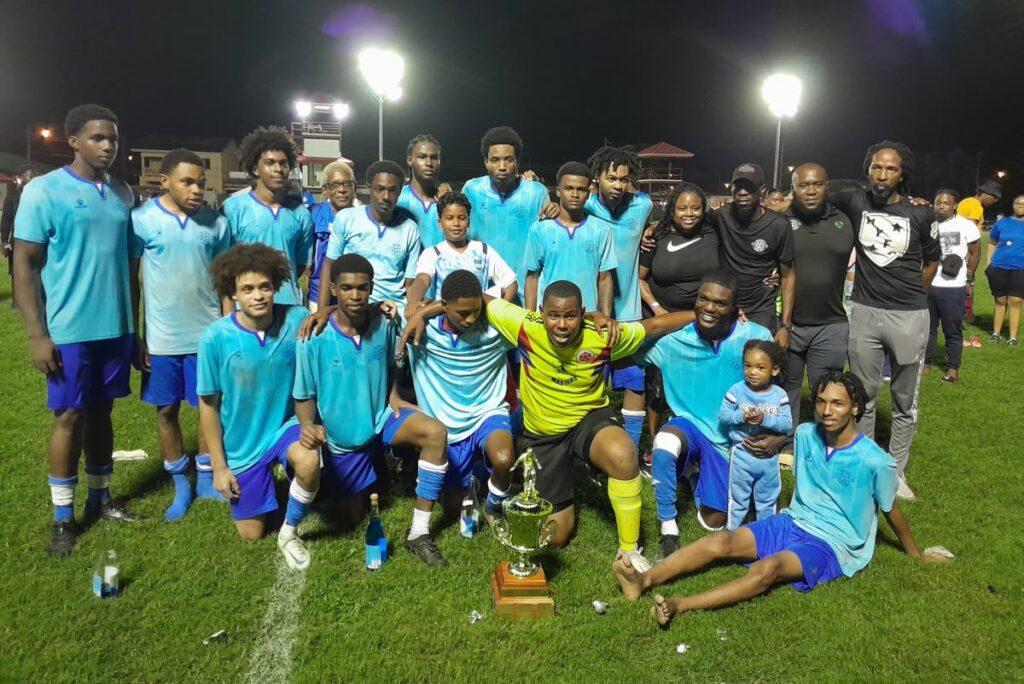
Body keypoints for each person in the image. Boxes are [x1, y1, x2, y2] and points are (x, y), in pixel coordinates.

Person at [402, 279, 698, 568]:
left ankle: (630, 551)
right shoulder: (524, 326)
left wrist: (702, 313)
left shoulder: (603, 335)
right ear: (540, 312)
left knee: (623, 453)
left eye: (571, 315)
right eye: (553, 315)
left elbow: (654, 326)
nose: (561, 324)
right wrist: (422, 313)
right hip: (544, 437)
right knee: (555, 536)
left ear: (583, 314)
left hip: (588, 421)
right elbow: (473, 297)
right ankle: (549, 482)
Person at [613, 370, 946, 627]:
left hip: (832, 543)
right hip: (793, 520)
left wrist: (916, 554)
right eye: (821, 401)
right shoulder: (804, 434)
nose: (826, 411)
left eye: (838, 403)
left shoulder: (876, 461)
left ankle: (679, 604)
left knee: (768, 569)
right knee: (723, 542)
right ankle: (644, 580)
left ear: (856, 408)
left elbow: (891, 510)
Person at [14, 104, 142, 556]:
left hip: (116, 329)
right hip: (69, 330)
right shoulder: (44, 191)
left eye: (113, 138)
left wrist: (135, 329)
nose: (108, 146)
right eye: (98, 138)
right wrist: (36, 333)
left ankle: (100, 499)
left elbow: (131, 267)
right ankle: (63, 518)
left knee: (103, 413)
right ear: (73, 141)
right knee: (69, 416)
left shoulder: (124, 193)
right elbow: (24, 265)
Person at [294, 254, 452, 565]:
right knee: (349, 519)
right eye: (347, 288)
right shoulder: (313, 336)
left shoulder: (385, 319)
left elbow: (394, 362)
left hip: (382, 417)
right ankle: (356, 476)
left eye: (362, 288)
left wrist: (393, 393)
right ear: (334, 289)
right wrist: (306, 426)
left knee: (436, 433)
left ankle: (418, 533)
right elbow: (304, 393)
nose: (355, 295)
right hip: (345, 438)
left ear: (372, 288)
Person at [634, 271, 775, 558]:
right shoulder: (673, 340)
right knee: (665, 442)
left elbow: (769, 397)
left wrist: (772, 436)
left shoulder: (757, 337)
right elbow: (629, 340)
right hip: (690, 427)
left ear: (736, 309)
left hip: (732, 443)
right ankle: (668, 528)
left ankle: (694, 473)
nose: (710, 307)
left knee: (713, 522)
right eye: (703, 299)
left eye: (720, 304)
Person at [198, 244, 320, 569]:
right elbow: (208, 407)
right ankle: (263, 481)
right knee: (251, 534)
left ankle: (289, 528)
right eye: (247, 289)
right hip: (243, 443)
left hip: (285, 427)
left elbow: (330, 321)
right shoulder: (215, 338)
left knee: (308, 461)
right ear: (233, 293)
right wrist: (219, 468)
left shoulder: (297, 318)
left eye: (264, 287)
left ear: (276, 285)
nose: (258, 296)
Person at [830, 141, 941, 500]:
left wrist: (911, 296)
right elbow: (807, 199)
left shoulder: (922, 214)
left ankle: (895, 472)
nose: (882, 175)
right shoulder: (853, 200)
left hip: (909, 316)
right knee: (862, 394)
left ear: (902, 173)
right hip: (863, 311)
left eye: (890, 169)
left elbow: (931, 262)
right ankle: (864, 464)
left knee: (903, 400)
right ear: (868, 170)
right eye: (877, 167)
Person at [129, 148, 232, 521]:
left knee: (209, 408)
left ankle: (205, 478)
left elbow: (225, 286)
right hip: (161, 339)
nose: (196, 190)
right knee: (166, 410)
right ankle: (180, 484)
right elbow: (132, 282)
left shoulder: (216, 224)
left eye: (201, 183)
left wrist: (227, 330)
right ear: (165, 181)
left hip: (205, 336)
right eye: (187, 182)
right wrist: (134, 334)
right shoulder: (141, 219)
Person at [404, 270, 518, 523]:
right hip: (446, 426)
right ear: (444, 306)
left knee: (503, 458)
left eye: (475, 310)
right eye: (462, 313)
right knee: (455, 512)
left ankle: (492, 508)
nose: (470, 319)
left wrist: (425, 309)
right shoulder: (422, 331)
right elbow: (371, 314)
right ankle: (475, 475)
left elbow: (534, 320)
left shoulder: (496, 329)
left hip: (488, 412)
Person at [638, 181, 718, 464]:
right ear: (672, 209)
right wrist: (658, 309)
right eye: (682, 207)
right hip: (662, 320)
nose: (689, 213)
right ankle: (655, 446)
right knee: (658, 384)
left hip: (703, 320)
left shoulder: (713, 232)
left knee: (697, 383)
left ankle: (697, 443)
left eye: (695, 208)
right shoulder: (656, 236)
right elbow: (640, 278)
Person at [585, 146, 654, 451]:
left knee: (634, 380)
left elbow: (654, 227)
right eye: (611, 177)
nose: (617, 185)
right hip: (591, 313)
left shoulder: (643, 206)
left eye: (623, 179)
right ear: (597, 178)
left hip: (628, 312)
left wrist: (652, 229)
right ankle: (590, 449)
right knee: (587, 381)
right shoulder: (583, 206)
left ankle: (632, 448)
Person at [781, 164, 855, 435]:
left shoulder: (846, 220)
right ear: (793, 188)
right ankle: (787, 444)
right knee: (786, 388)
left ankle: (820, 442)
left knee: (825, 391)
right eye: (803, 185)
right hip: (789, 324)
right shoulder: (780, 221)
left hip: (830, 324)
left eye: (817, 184)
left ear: (827, 186)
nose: (810, 191)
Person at [463, 126, 557, 305]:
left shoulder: (536, 193)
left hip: (526, 295)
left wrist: (559, 212)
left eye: (508, 160)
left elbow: (549, 244)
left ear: (518, 161)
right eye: (495, 160)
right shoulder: (471, 189)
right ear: (486, 162)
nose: (502, 167)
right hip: (481, 293)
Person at [222, 126, 313, 307]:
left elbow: (300, 265)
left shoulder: (301, 214)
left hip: (289, 310)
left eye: (284, 163)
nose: (278, 169)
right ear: (255, 169)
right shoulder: (233, 209)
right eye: (270, 163)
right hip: (247, 311)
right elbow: (223, 267)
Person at [319, 160, 421, 309]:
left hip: (394, 309)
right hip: (355, 307)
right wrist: (322, 311)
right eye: (379, 189)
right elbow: (329, 266)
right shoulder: (346, 219)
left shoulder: (410, 229)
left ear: (400, 191)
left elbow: (410, 283)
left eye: (392, 190)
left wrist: (412, 314)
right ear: (369, 188)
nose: (386, 196)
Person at [709, 163, 795, 338]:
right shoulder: (719, 215)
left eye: (749, 187)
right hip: (725, 306)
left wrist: (785, 326)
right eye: (737, 187)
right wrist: (650, 231)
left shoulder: (779, 225)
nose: (742, 192)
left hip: (761, 310)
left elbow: (788, 275)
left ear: (762, 190)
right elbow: (685, 224)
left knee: (759, 363)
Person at [523, 162, 617, 314]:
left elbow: (605, 279)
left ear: (589, 192)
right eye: (568, 188)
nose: (575, 194)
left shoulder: (601, 229)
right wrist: (530, 317)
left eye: (581, 189)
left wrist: (605, 317)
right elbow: (532, 277)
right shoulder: (539, 229)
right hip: (550, 316)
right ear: (558, 191)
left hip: (588, 316)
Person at [719, 340, 792, 529]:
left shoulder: (780, 395)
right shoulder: (736, 391)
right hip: (741, 456)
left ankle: (765, 536)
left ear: (774, 370)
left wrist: (765, 419)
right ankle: (733, 536)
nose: (752, 372)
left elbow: (787, 424)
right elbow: (724, 416)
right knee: (738, 499)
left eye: (760, 367)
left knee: (767, 499)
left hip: (768, 459)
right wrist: (742, 416)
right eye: (748, 366)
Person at [405, 191, 517, 314]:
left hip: (477, 325)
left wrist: (498, 314)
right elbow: (422, 279)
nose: (456, 223)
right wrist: (414, 301)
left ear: (468, 222)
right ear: (440, 223)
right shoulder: (433, 254)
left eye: (461, 218)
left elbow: (511, 283)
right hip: (444, 326)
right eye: (449, 218)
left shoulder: (483, 250)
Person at [926, 189, 980, 382]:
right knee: (927, 328)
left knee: (952, 330)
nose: (941, 205)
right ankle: (925, 365)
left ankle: (953, 370)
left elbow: (975, 253)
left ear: (955, 205)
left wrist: (968, 276)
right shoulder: (927, 222)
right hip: (928, 284)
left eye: (946, 203)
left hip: (953, 287)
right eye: (938, 202)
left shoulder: (966, 225)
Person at [307, 160, 356, 312]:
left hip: (353, 294)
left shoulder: (363, 217)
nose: (341, 190)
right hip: (318, 294)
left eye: (347, 184)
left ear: (354, 187)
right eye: (335, 185)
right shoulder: (313, 213)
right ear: (325, 190)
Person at [956, 180, 1000, 324]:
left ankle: (965, 314)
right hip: (967, 249)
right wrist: (971, 257)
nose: (994, 201)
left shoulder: (966, 202)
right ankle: (966, 316)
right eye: (993, 198)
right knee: (968, 282)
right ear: (985, 194)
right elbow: (969, 229)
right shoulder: (976, 206)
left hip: (957, 246)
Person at [986, 194, 1024, 345]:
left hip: (1021, 269)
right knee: (1000, 300)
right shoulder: (1002, 223)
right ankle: (996, 333)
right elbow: (992, 242)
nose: (1021, 206)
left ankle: (1012, 337)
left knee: (1016, 301)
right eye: (1018, 203)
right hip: (999, 266)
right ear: (1013, 205)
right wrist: (988, 262)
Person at [397, 134, 444, 248]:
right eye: (422, 157)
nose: (429, 163)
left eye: (434, 158)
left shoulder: (448, 202)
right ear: (410, 160)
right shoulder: (397, 199)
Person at [2, 164, 36, 308]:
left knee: (36, 270)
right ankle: (17, 300)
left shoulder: (39, 196)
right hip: (17, 240)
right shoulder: (12, 197)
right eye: (29, 177)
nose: (32, 180)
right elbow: (6, 220)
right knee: (16, 271)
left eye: (34, 177)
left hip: (36, 239)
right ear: (20, 179)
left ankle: (36, 298)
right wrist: (4, 241)